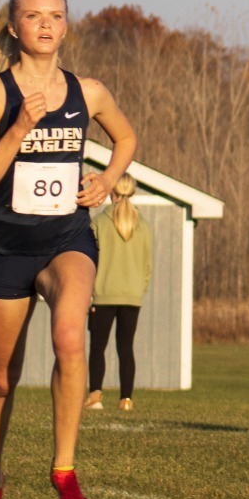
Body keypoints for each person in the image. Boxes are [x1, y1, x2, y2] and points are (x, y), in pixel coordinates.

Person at [0, 0, 137, 499]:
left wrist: (107, 179)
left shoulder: (89, 92)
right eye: (33, 16)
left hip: (67, 238)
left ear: (66, 26)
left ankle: (64, 472)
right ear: (13, 28)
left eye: (55, 16)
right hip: (5, 247)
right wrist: (18, 129)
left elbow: (127, 139)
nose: (45, 25)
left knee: (69, 338)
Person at [86, 174, 152, 413]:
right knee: (125, 348)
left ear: (111, 192)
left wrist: (89, 293)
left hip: (102, 295)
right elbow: (148, 266)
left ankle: (95, 395)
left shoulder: (98, 223)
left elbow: (88, 262)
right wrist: (138, 290)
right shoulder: (143, 225)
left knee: (97, 347)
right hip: (132, 297)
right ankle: (126, 400)